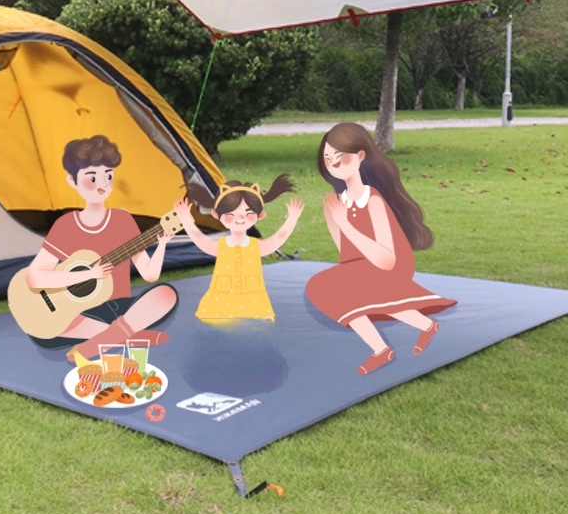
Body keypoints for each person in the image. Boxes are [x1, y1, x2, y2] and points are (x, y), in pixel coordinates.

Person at [305, 123, 456, 375]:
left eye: (339, 158)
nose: (333, 165)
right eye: (328, 159)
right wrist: (334, 220)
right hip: (361, 265)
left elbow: (386, 260)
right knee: (325, 287)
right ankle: (422, 328)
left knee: (359, 291)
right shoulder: (338, 203)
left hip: (391, 264)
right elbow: (345, 253)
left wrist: (344, 223)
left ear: (360, 156)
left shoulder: (373, 200)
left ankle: (386, 347)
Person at [25, 135, 177, 361]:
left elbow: (149, 275)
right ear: (72, 181)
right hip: (82, 314)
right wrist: (89, 274)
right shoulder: (66, 226)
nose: (103, 185)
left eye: (108, 175)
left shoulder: (123, 220)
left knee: (165, 295)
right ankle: (126, 335)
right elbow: (34, 278)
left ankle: (102, 340)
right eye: (92, 178)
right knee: (40, 328)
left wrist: (162, 244)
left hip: (121, 308)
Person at [174, 175, 304, 321]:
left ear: (260, 215)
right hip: (220, 303)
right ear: (216, 215)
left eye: (248, 214)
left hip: (253, 303)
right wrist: (185, 219)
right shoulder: (221, 246)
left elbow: (278, 238)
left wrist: (292, 219)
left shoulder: (255, 246)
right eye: (231, 214)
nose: (240, 218)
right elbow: (199, 238)